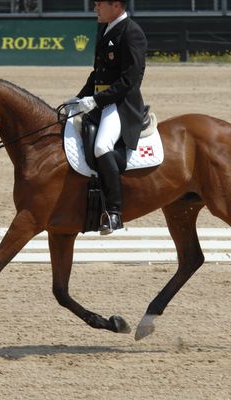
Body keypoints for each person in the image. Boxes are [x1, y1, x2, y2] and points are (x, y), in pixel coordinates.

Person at [68, 0, 147, 235]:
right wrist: (79, 97)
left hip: (122, 104)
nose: (95, 8)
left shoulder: (132, 32)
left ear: (116, 5)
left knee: (102, 146)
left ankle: (114, 213)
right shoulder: (104, 28)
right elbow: (98, 73)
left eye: (99, 4)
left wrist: (97, 100)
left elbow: (130, 80)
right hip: (102, 101)